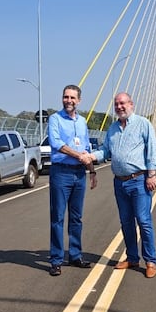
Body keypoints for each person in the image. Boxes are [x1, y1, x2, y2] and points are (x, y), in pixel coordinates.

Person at [91, 92, 156, 278]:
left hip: (139, 180)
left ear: (131, 104)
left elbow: (152, 150)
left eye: (123, 103)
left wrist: (151, 175)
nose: (119, 107)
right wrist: (91, 156)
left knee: (144, 221)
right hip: (120, 183)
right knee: (126, 222)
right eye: (116, 104)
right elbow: (105, 151)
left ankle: (151, 261)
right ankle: (132, 258)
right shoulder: (112, 128)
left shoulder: (143, 124)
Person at [47, 84, 98, 276]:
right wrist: (79, 156)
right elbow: (56, 143)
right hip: (61, 173)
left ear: (79, 101)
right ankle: (56, 260)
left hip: (79, 174)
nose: (68, 101)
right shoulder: (55, 119)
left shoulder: (82, 121)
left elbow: (86, 147)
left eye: (72, 98)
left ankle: (75, 255)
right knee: (58, 218)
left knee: (76, 218)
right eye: (65, 97)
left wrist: (92, 171)